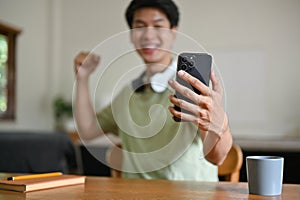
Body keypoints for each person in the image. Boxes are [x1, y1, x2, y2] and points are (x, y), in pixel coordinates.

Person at [74, 0, 232, 181]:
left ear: (173, 32)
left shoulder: (191, 89)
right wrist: (82, 78)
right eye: (139, 27)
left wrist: (222, 127)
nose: (148, 35)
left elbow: (217, 157)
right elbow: (87, 130)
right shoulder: (128, 94)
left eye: (158, 26)